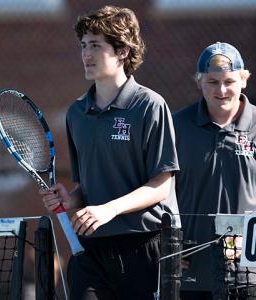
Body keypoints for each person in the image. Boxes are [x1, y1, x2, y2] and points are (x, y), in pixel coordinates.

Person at [39, 6, 180, 300]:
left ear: (122, 52)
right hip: (91, 248)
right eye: (83, 46)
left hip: (144, 245)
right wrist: (71, 199)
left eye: (96, 46)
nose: (86, 55)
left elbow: (161, 186)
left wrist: (110, 209)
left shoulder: (150, 106)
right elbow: (85, 188)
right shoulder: (76, 113)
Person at [173, 42, 256, 299]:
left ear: (243, 81)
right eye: (212, 82)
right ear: (199, 82)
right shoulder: (175, 125)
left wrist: (254, 232)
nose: (221, 90)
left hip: (251, 273)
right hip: (189, 275)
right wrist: (165, 246)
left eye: (229, 81)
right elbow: (156, 190)